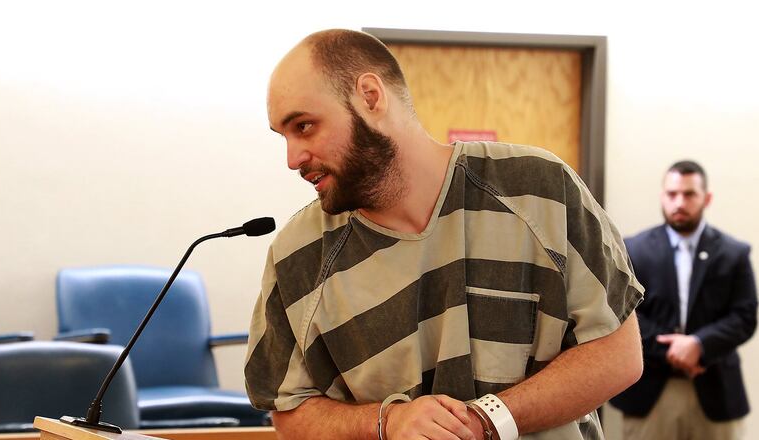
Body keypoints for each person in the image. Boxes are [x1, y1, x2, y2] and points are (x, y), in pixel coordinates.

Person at [244, 29, 643, 440]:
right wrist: (387, 422)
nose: (292, 158)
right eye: (283, 136)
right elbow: (289, 411)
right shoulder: (296, 256)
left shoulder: (539, 189)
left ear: (370, 97)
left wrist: (485, 420)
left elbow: (619, 355)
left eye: (304, 126)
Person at [610, 160, 757, 439]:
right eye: (672, 194)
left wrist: (699, 344)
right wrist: (673, 350)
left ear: (706, 198)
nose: (679, 202)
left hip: (716, 391)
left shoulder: (734, 253)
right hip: (650, 391)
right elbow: (621, 311)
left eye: (689, 194)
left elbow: (744, 317)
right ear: (662, 196)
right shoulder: (634, 249)